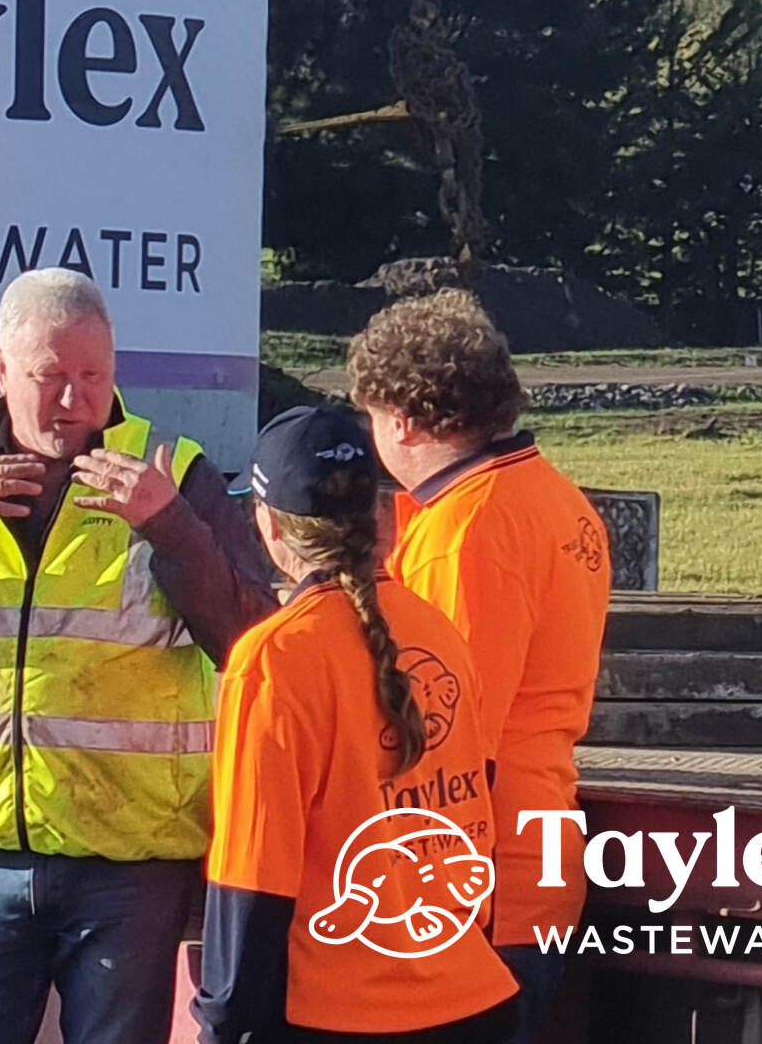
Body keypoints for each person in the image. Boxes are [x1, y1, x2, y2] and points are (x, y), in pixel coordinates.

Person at [0, 267, 276, 1044]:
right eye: (51, 378)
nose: (75, 401)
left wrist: (172, 529)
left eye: (94, 376)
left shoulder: (174, 472)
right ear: (0, 370)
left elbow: (252, 641)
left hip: (129, 861)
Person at [195, 404, 520, 1044]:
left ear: (268, 527)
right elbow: (475, 819)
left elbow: (252, 874)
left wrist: (224, 1025)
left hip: (336, 1014)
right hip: (470, 999)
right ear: (378, 515)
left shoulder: (276, 658)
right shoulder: (439, 632)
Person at [351, 291, 610, 1043]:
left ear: (403, 418)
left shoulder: (463, 532)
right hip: (538, 858)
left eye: (372, 417)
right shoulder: (562, 502)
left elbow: (449, 737)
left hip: (476, 884)